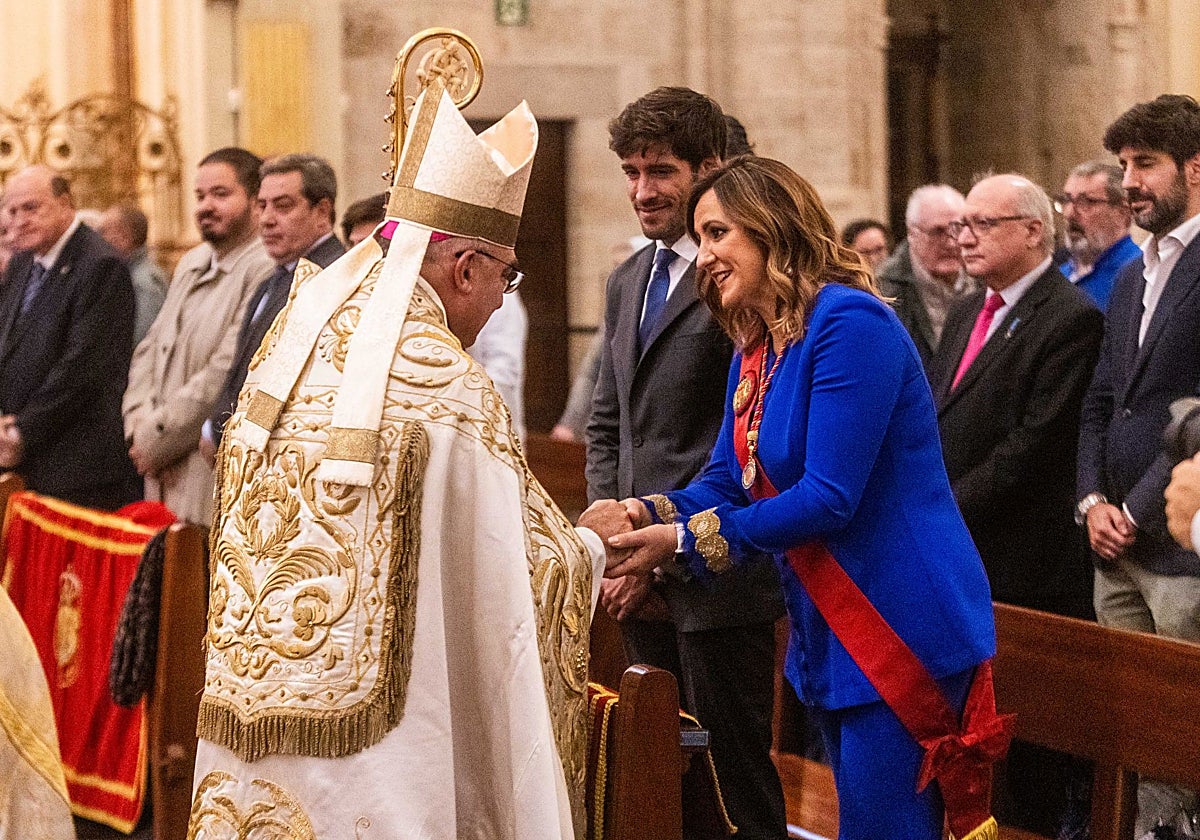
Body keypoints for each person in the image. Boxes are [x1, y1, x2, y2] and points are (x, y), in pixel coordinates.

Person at [188, 79, 619, 840]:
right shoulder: (445, 384)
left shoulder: (294, 349)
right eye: (506, 275)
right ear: (465, 267)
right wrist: (592, 545)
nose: (501, 299)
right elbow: (519, 567)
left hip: (247, 719)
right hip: (379, 754)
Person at [605, 156, 1004, 840]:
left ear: (771, 228)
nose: (705, 256)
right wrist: (644, 513)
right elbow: (728, 479)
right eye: (701, 238)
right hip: (829, 626)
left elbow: (829, 496)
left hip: (897, 619)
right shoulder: (759, 345)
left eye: (718, 233)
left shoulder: (849, 324)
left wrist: (681, 542)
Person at [586, 86, 787, 840]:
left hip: (716, 573)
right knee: (659, 781)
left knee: (735, 788)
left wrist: (658, 555)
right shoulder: (627, 279)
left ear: (709, 168)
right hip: (636, 574)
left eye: (661, 171)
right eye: (632, 172)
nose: (643, 190)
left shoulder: (736, 278)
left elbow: (736, 443)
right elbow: (610, 422)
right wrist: (615, 543)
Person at [928, 174, 1103, 838]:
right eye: (961, 225)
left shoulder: (1070, 317)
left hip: (1024, 561)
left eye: (983, 224)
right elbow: (938, 416)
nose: (965, 238)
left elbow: (1034, 445)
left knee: (1026, 755)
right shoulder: (968, 311)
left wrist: (942, 510)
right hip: (960, 554)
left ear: (1033, 231)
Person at [1078, 93, 1200, 837]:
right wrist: (1091, 500)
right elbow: (1103, 399)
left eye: (1145, 164)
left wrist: (1134, 507)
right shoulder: (1132, 275)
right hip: (1115, 548)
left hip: (1180, 547)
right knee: (1134, 733)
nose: (1129, 181)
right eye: (1123, 164)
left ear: (1195, 168)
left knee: (1184, 731)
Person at [122, 147, 274, 525]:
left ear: (255, 201)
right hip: (157, 461)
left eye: (221, 194)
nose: (206, 206)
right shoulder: (192, 262)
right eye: (200, 196)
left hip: (201, 467)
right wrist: (138, 426)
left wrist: (158, 438)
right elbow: (149, 349)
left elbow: (225, 369)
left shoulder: (265, 267)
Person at [0, 165, 140, 509]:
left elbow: (83, 368)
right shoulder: (22, 263)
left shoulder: (100, 265)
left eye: (31, 208)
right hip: (20, 457)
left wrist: (22, 431)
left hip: (76, 465)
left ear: (65, 204)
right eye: (12, 211)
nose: (20, 220)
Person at [202, 153, 345, 455]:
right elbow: (242, 367)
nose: (266, 219)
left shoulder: (332, 278)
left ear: (322, 211)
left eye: (283, 206)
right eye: (262, 205)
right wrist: (213, 429)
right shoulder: (275, 277)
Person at [877, 184, 976, 370]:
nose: (951, 243)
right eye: (937, 232)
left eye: (957, 228)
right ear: (912, 234)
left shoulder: (986, 279)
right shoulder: (883, 291)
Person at [1055, 160, 1141, 311]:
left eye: (1086, 202)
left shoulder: (1138, 274)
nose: (1069, 214)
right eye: (1067, 200)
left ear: (1123, 212)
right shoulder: (1059, 274)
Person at [98, 203, 169, 345]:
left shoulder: (144, 283)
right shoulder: (125, 275)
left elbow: (142, 341)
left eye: (103, 231)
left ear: (124, 237)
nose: (99, 238)